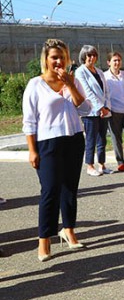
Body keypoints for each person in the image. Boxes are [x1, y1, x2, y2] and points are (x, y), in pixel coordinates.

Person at [23, 39, 90, 262]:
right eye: (54, 57)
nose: (59, 61)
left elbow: (86, 108)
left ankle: (68, 230)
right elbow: (29, 122)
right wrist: (32, 150)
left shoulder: (73, 81)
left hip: (73, 139)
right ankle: (44, 239)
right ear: (46, 60)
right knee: (50, 189)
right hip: (47, 143)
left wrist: (70, 85)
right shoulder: (35, 85)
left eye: (62, 56)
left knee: (70, 188)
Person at [75, 45, 112, 176]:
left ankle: (102, 164)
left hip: (104, 111)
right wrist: (100, 107)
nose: (92, 58)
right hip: (90, 111)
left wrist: (106, 106)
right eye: (89, 55)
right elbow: (87, 92)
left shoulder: (100, 72)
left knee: (102, 139)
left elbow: (106, 90)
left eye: (94, 55)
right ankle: (90, 166)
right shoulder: (80, 72)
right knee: (91, 139)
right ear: (84, 57)